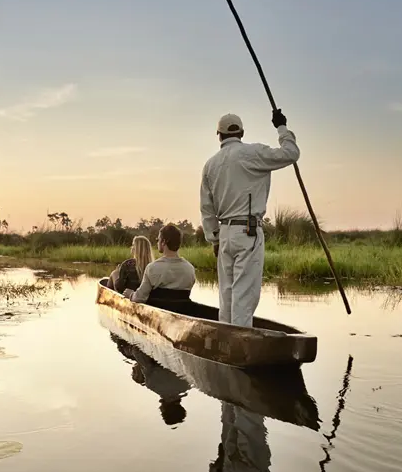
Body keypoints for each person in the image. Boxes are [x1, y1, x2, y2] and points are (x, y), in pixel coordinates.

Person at [199, 110, 299, 327]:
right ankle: (239, 346)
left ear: (219, 135)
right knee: (244, 295)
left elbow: (207, 209)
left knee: (226, 295)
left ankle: (225, 340)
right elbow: (291, 153)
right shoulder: (255, 153)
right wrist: (281, 127)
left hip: (224, 234)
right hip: (248, 232)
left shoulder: (210, 165)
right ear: (242, 132)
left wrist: (214, 239)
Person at [124, 224, 195, 306]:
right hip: (182, 312)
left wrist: (131, 294)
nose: (157, 242)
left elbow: (140, 298)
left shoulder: (152, 268)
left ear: (163, 242)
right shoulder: (190, 269)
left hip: (158, 315)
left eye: (158, 240)